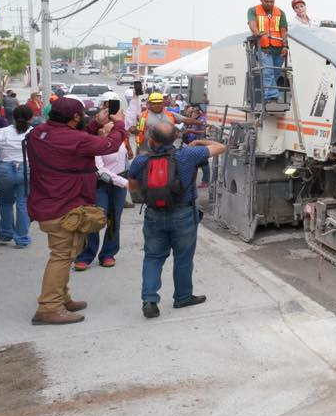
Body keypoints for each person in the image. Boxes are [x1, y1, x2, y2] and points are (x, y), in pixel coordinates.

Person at [25, 97, 128, 325]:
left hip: (46, 201)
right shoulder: (75, 138)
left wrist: (93, 124)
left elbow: (75, 140)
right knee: (62, 256)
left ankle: (62, 298)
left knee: (66, 252)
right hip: (64, 205)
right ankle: (49, 307)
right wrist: (118, 124)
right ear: (75, 117)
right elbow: (108, 145)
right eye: (82, 115)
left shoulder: (38, 132)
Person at [129, 120, 227, 318]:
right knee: (183, 258)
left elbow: (132, 187)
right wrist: (199, 142)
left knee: (153, 257)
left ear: (151, 139)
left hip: (154, 214)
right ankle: (182, 297)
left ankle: (149, 300)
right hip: (183, 214)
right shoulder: (187, 155)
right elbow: (221, 147)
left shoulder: (140, 161)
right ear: (175, 138)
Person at [75, 102, 131, 270]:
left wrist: (135, 96)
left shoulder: (119, 141)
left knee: (114, 220)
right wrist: (127, 183)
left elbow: (130, 117)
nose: (113, 131)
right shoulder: (96, 146)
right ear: (100, 130)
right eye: (108, 129)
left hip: (118, 185)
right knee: (95, 219)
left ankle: (108, 253)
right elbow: (100, 170)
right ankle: (85, 254)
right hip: (100, 184)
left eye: (113, 128)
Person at [0, 105, 36, 248]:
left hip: (4, 170)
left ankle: (6, 233)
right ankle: (21, 239)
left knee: (5, 202)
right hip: (25, 169)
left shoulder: (1, 132)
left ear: (13, 117)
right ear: (31, 118)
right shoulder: (34, 132)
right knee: (23, 204)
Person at [247, 0, 289, 103]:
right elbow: (252, 23)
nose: (269, 4)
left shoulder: (280, 12)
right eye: (267, 1)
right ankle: (272, 97)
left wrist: (285, 46)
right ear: (261, 0)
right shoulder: (253, 10)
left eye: (272, 1)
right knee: (268, 72)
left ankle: (267, 95)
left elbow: (284, 30)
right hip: (263, 47)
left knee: (275, 73)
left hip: (279, 48)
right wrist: (256, 32)